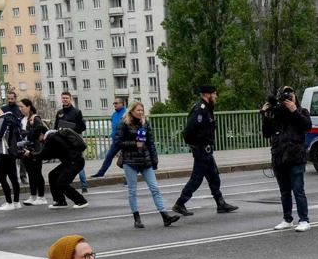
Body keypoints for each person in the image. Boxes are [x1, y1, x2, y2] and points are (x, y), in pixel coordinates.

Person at [173, 84, 239, 217]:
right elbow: (189, 131)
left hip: (206, 149)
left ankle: (220, 203)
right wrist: (196, 144)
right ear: (207, 94)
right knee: (196, 178)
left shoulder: (207, 108)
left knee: (213, 176)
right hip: (201, 149)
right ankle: (180, 203)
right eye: (214, 94)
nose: (216, 96)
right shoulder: (200, 109)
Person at [116, 100, 180, 228]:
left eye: (142, 110)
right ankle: (136, 217)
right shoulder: (123, 124)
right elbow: (118, 142)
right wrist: (134, 144)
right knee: (132, 190)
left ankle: (165, 215)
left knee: (154, 188)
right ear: (131, 111)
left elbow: (151, 142)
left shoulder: (145, 124)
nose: (140, 113)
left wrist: (154, 160)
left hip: (145, 160)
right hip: (130, 160)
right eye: (138, 110)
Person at [262, 86, 313, 232]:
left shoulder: (301, 112)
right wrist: (265, 115)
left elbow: (307, 126)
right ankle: (287, 219)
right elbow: (266, 133)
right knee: (284, 191)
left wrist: (294, 111)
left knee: (298, 189)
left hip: (296, 157)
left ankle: (304, 220)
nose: (290, 98)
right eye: (286, 96)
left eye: (291, 95)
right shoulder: (277, 114)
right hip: (279, 156)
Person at [31, 121, 89, 209]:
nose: (39, 141)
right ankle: (60, 201)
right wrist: (35, 155)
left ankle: (81, 201)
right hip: (72, 161)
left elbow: (45, 154)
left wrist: (31, 154)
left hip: (74, 161)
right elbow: (50, 154)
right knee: (53, 175)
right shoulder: (54, 136)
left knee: (62, 182)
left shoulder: (51, 138)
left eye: (37, 138)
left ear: (41, 135)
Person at [0, 106, 23, 210]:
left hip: (3, 152)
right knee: (13, 178)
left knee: (2, 178)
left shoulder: (2, 120)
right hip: (12, 151)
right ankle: (17, 201)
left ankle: (9, 202)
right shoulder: (11, 121)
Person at [54, 91, 87, 191]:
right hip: (64, 142)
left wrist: (70, 129)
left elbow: (82, 127)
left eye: (66, 98)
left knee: (78, 161)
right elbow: (56, 127)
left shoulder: (76, 112)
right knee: (67, 163)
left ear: (70, 99)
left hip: (74, 141)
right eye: (63, 98)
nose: (65, 100)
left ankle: (84, 185)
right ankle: (67, 184)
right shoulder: (59, 113)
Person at [18, 99, 48, 205]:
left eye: (22, 106)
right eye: (19, 107)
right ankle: (33, 195)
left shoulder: (35, 118)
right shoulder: (21, 119)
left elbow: (39, 131)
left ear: (28, 106)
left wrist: (27, 131)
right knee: (30, 173)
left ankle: (41, 196)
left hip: (34, 149)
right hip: (25, 148)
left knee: (37, 173)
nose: (20, 109)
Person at [92, 97, 126, 181]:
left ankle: (128, 179)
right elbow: (113, 125)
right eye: (114, 103)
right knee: (109, 156)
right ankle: (101, 173)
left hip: (125, 140)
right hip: (116, 140)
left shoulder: (126, 113)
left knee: (126, 159)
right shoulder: (114, 114)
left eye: (116, 103)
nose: (114, 105)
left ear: (121, 103)